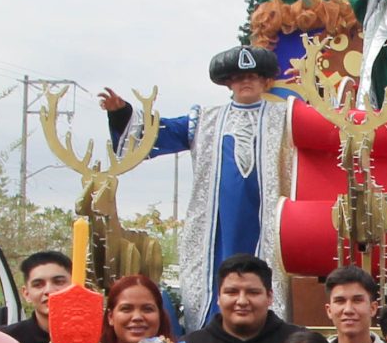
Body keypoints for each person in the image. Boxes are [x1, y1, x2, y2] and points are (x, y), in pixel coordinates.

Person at [102, 46, 293, 327]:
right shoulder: (204, 120)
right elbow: (156, 134)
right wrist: (122, 114)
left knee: (269, 282)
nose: (246, 82)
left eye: (253, 75)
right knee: (212, 286)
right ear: (228, 82)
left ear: (266, 81)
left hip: (271, 223)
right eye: (238, 77)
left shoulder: (287, 118)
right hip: (215, 227)